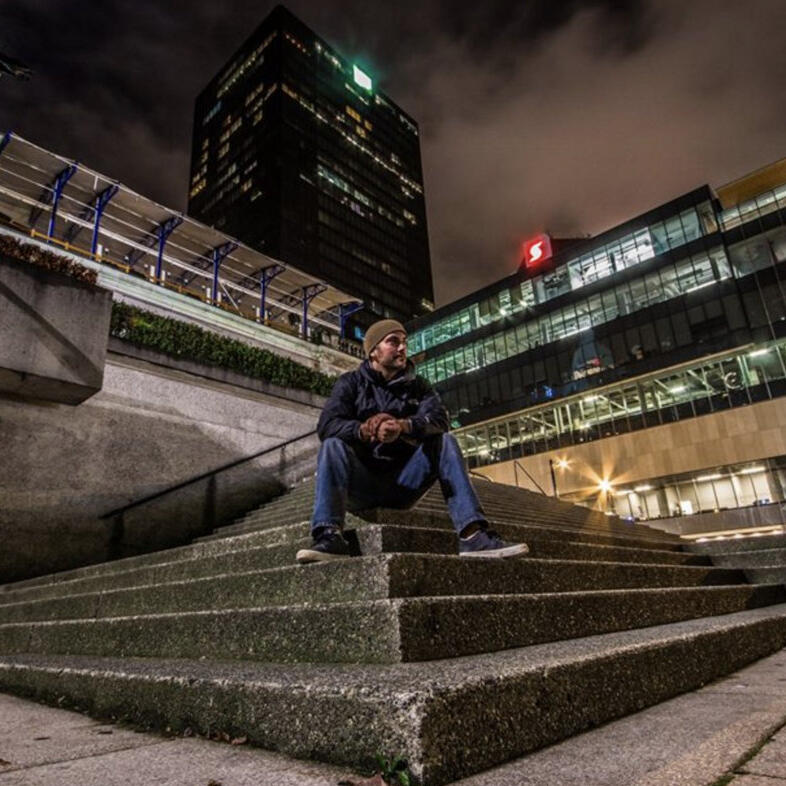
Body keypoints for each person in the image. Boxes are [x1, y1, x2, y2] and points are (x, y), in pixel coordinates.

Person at [295, 319, 529, 563]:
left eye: (404, 342)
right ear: (373, 351)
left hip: (405, 483)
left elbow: (439, 420)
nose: (402, 348)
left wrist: (403, 426)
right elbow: (327, 425)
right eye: (393, 342)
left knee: (445, 441)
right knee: (332, 444)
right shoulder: (350, 383)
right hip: (362, 484)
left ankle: (473, 536)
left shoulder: (418, 387)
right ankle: (329, 535)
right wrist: (365, 429)